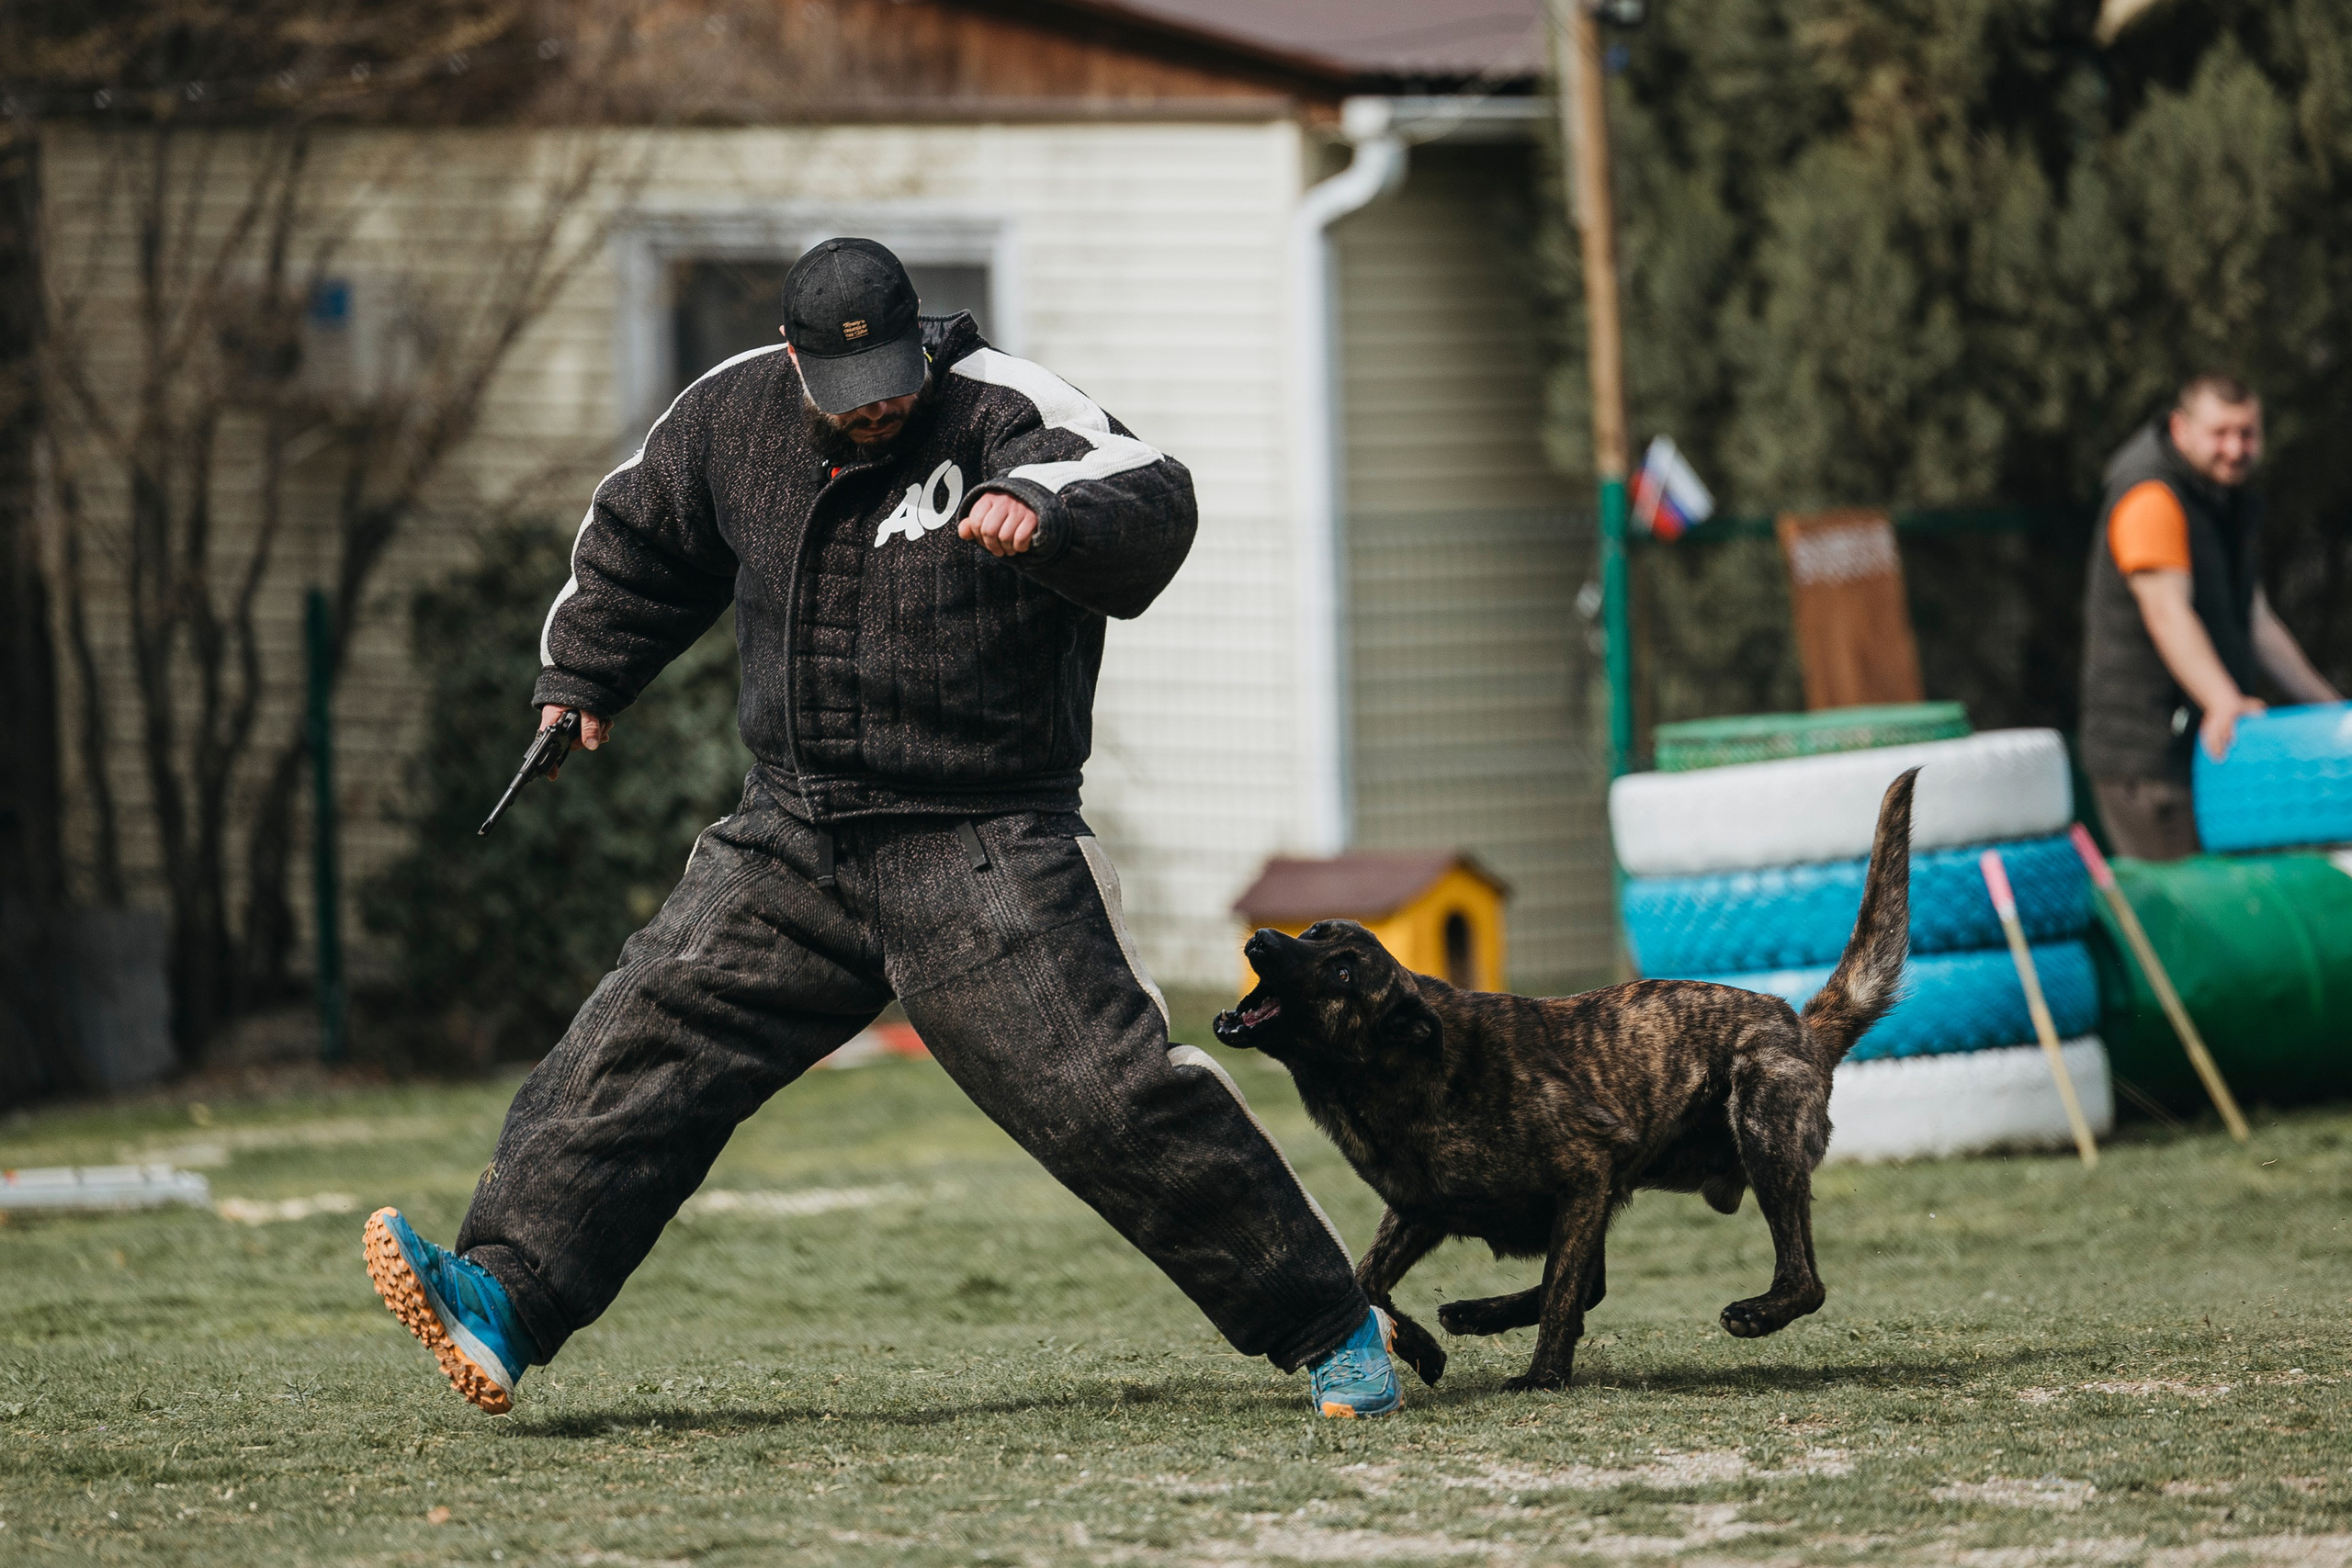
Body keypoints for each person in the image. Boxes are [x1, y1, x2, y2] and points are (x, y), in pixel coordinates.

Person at [361, 238, 1402, 1419]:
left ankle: (1334, 1325)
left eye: (896, 384)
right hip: (793, 836)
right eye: (847, 395)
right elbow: (642, 541)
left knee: (1106, 1099)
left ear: (926, 339)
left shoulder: (1004, 407)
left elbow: (1149, 489)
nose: (878, 412)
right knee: (642, 1036)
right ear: (795, 362)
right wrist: (582, 676)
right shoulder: (729, 418)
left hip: (983, 841)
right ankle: (504, 1297)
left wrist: (1041, 507)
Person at [2078, 374, 2341, 860]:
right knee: (2190, 914)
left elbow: (2257, 623)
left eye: (2247, 434)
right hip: (2149, 757)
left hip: (2211, 751)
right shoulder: (2150, 496)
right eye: (2220, 433)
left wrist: (2332, 710)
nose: (2236, 448)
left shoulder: (2223, 500)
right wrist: (2223, 700)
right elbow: (2165, 611)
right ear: (2180, 429)